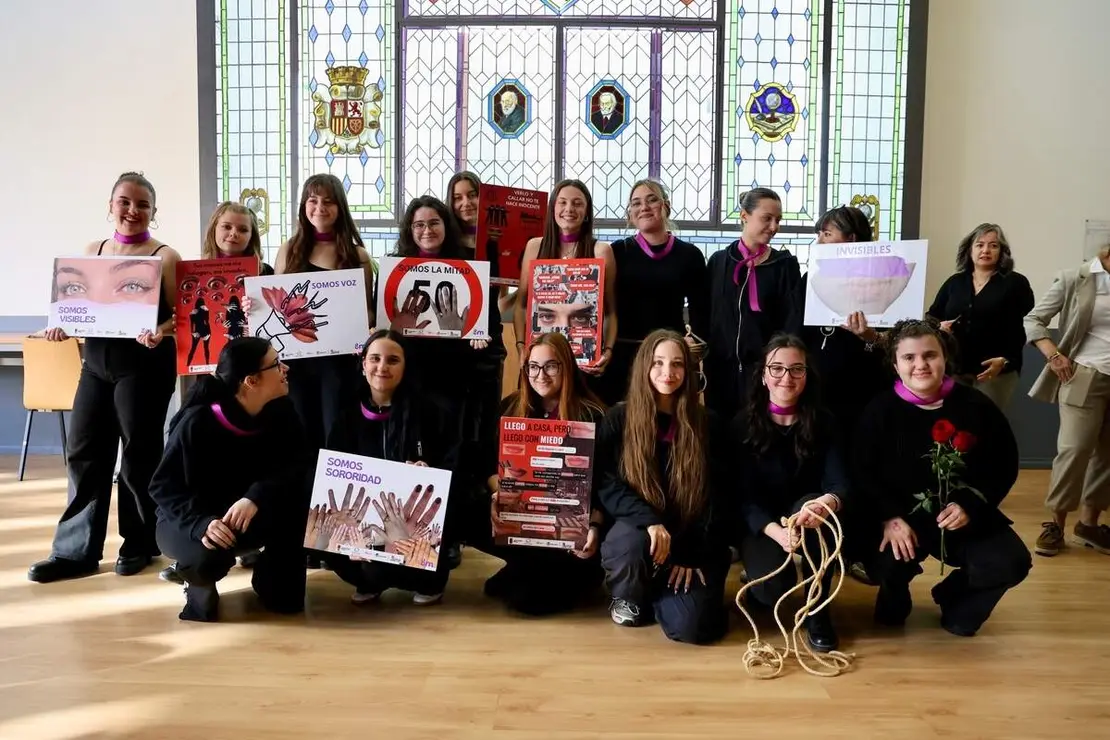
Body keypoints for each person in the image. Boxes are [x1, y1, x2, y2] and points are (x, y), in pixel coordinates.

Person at [29, 172, 180, 583]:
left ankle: (140, 542)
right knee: (83, 450)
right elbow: (81, 309)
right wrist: (62, 326)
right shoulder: (91, 252)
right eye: (124, 202)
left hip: (145, 365)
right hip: (95, 364)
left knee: (138, 456)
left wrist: (160, 330)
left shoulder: (165, 256)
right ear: (110, 205)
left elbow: (182, 316)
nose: (132, 210)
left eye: (142, 204)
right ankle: (74, 551)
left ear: (154, 211)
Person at [853, 318, 1031, 636]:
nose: (920, 365)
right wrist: (889, 517)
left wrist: (969, 505)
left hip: (959, 516)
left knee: (1010, 561)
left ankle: (954, 596)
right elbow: (862, 472)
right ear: (895, 365)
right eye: (909, 357)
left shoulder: (976, 406)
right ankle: (894, 590)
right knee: (884, 563)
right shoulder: (879, 411)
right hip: (902, 520)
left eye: (930, 355)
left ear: (944, 358)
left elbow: (1002, 465)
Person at [149, 338, 310, 621]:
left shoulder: (282, 410)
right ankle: (194, 579)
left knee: (288, 600)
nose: (285, 368)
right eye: (276, 364)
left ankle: (271, 580)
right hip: (192, 520)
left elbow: (298, 465)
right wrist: (201, 524)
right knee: (207, 558)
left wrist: (256, 496)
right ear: (251, 381)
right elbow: (163, 487)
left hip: (251, 513)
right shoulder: (198, 421)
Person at [596, 329, 730, 644]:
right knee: (628, 542)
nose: (667, 372)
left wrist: (693, 553)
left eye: (677, 363)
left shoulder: (709, 424)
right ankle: (631, 593)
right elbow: (605, 483)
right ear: (644, 366)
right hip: (641, 531)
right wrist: (650, 521)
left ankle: (665, 594)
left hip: (693, 540)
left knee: (691, 628)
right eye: (658, 362)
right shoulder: (618, 418)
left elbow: (720, 497)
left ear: (689, 370)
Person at [324, 330, 463, 605]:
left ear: (406, 366)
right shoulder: (345, 417)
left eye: (393, 360)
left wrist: (431, 474)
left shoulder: (432, 413)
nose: (382, 367)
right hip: (364, 527)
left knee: (415, 569)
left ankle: (424, 580)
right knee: (357, 561)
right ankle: (370, 580)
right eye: (375, 359)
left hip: (415, 528)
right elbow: (333, 481)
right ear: (363, 364)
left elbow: (455, 466)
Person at [474, 332, 607, 615]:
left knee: (528, 603)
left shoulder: (593, 415)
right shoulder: (511, 407)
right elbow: (487, 466)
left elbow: (607, 483)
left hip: (572, 530)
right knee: (466, 507)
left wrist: (594, 526)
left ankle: (574, 575)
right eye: (533, 366)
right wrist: (500, 492)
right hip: (524, 519)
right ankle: (522, 566)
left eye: (551, 366)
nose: (540, 375)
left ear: (566, 367)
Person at [735, 334, 848, 652]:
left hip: (810, 517)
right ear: (763, 375)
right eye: (777, 368)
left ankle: (817, 610)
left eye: (797, 369)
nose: (787, 377)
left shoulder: (825, 422)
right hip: (764, 524)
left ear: (807, 375)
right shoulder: (742, 425)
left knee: (814, 508)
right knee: (770, 590)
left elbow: (840, 484)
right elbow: (741, 497)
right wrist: (776, 532)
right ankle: (759, 584)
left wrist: (826, 503)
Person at [273, 174, 376, 452]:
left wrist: (362, 330)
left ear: (340, 207)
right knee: (300, 430)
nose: (320, 207)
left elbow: (367, 311)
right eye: (313, 200)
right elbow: (277, 305)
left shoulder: (357, 255)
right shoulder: (288, 250)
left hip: (339, 363)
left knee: (335, 430)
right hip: (296, 361)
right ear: (303, 206)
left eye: (328, 201)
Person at [1026, 243, 1110, 556]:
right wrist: (1053, 355)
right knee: (1074, 450)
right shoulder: (1075, 278)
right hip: (1084, 375)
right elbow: (1034, 319)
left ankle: (1089, 526)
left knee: (1108, 455)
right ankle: (1056, 525)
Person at [606, 179, 709, 403]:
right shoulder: (618, 252)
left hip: (669, 357)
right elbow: (605, 305)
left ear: (666, 206)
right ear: (630, 213)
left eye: (652, 200)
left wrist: (693, 343)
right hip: (624, 355)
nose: (644, 207)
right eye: (636, 203)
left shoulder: (690, 255)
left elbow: (701, 310)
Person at [705, 188, 801, 421]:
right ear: (744, 216)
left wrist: (776, 366)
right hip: (720, 370)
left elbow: (791, 324)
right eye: (767, 218)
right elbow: (706, 313)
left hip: (766, 374)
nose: (774, 227)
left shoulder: (784, 266)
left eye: (778, 220)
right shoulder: (719, 262)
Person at [514, 180, 618, 388]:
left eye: (577, 203)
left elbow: (609, 313)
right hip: (539, 364)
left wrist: (607, 351)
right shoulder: (535, 247)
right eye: (562, 202)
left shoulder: (601, 251)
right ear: (553, 208)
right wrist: (521, 347)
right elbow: (522, 305)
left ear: (587, 212)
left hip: (582, 365)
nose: (569, 209)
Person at [800, 206, 888, 443]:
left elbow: (896, 343)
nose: (819, 242)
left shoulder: (882, 279)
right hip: (817, 387)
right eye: (819, 234)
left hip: (862, 387)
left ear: (851, 239)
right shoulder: (810, 278)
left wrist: (869, 336)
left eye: (827, 234)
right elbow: (797, 331)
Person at [928, 223, 1035, 410]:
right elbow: (931, 317)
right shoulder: (955, 283)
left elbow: (1029, 323)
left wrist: (1006, 360)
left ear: (1002, 251)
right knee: (953, 422)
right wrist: (939, 327)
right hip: (954, 369)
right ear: (969, 250)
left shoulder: (1015, 283)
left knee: (985, 422)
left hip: (996, 371)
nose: (986, 250)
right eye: (979, 245)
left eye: (993, 245)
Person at [201, 201, 275, 276]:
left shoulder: (266, 272)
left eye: (243, 230)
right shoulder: (198, 272)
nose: (233, 233)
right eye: (227, 227)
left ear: (251, 236)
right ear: (213, 230)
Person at [446, 171, 481, 258]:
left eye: (472, 195)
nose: (466, 203)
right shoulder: (445, 239)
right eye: (458, 198)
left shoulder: (497, 237)